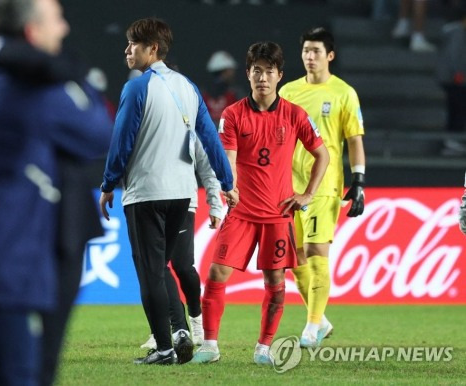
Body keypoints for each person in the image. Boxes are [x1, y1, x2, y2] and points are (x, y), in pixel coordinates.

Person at [0, 0, 111, 384]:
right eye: (56, 20)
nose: (63, 29)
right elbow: (98, 133)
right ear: (31, 33)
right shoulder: (41, 94)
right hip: (5, 277)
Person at [99, 18, 238, 366]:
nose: (127, 49)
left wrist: (108, 183)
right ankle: (180, 330)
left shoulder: (136, 88)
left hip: (146, 192)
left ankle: (163, 348)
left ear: (153, 49)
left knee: (150, 273)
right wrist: (227, 183)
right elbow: (209, 140)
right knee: (166, 269)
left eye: (134, 44)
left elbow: (122, 141)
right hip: (182, 195)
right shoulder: (189, 87)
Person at [191, 41, 330, 365]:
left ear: (279, 75)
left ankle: (263, 348)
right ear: (248, 74)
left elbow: (322, 154)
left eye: (269, 71)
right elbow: (229, 157)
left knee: (276, 282)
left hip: (279, 215)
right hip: (241, 213)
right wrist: (230, 187)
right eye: (257, 71)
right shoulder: (233, 114)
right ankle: (210, 346)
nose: (262, 78)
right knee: (216, 274)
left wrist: (307, 194)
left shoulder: (295, 115)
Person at [278, 27, 366, 348]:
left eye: (316, 51)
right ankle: (322, 321)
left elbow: (354, 140)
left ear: (330, 55)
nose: (309, 57)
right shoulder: (287, 92)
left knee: (317, 252)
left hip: (324, 186)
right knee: (294, 258)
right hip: (289, 185)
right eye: (305, 51)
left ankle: (311, 326)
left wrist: (358, 181)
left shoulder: (344, 93)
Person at [140, 136, 224, 350]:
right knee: (156, 267)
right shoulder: (146, 119)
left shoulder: (190, 126)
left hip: (183, 201)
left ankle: (196, 318)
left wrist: (215, 203)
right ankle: (164, 329)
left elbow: (206, 166)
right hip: (149, 199)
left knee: (183, 266)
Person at [436, 6, 466, 156]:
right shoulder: (458, 33)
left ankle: (452, 140)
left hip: (451, 79)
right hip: (455, 80)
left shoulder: (454, 32)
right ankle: (452, 140)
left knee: (456, 110)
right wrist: (459, 74)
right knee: (457, 111)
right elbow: (455, 56)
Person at [201, 50, 243, 126]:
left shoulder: (201, 94)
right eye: (230, 70)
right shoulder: (235, 94)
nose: (233, 73)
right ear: (225, 71)